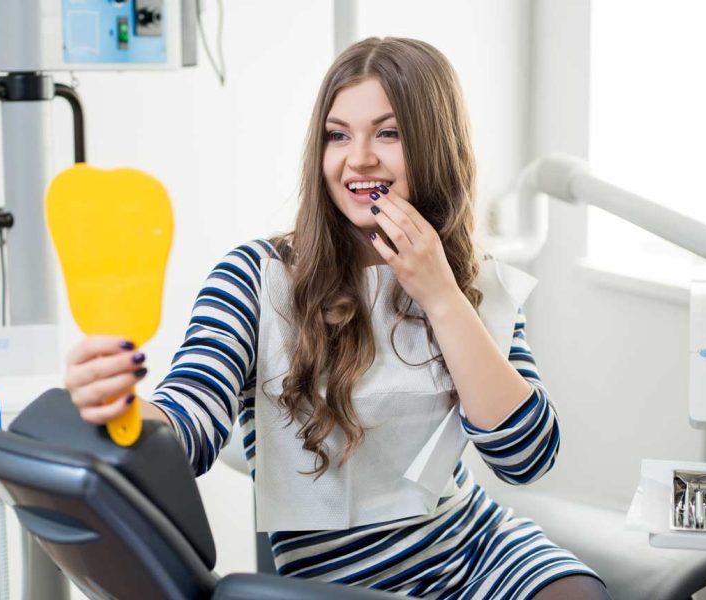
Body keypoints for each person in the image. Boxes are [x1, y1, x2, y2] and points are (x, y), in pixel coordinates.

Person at [63, 37, 611, 599]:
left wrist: (442, 298)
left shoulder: (474, 281)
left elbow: (527, 456)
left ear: (435, 146)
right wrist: (124, 410)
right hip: (341, 588)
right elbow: (191, 420)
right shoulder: (255, 277)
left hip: (483, 555)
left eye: (389, 133)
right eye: (338, 135)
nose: (359, 158)